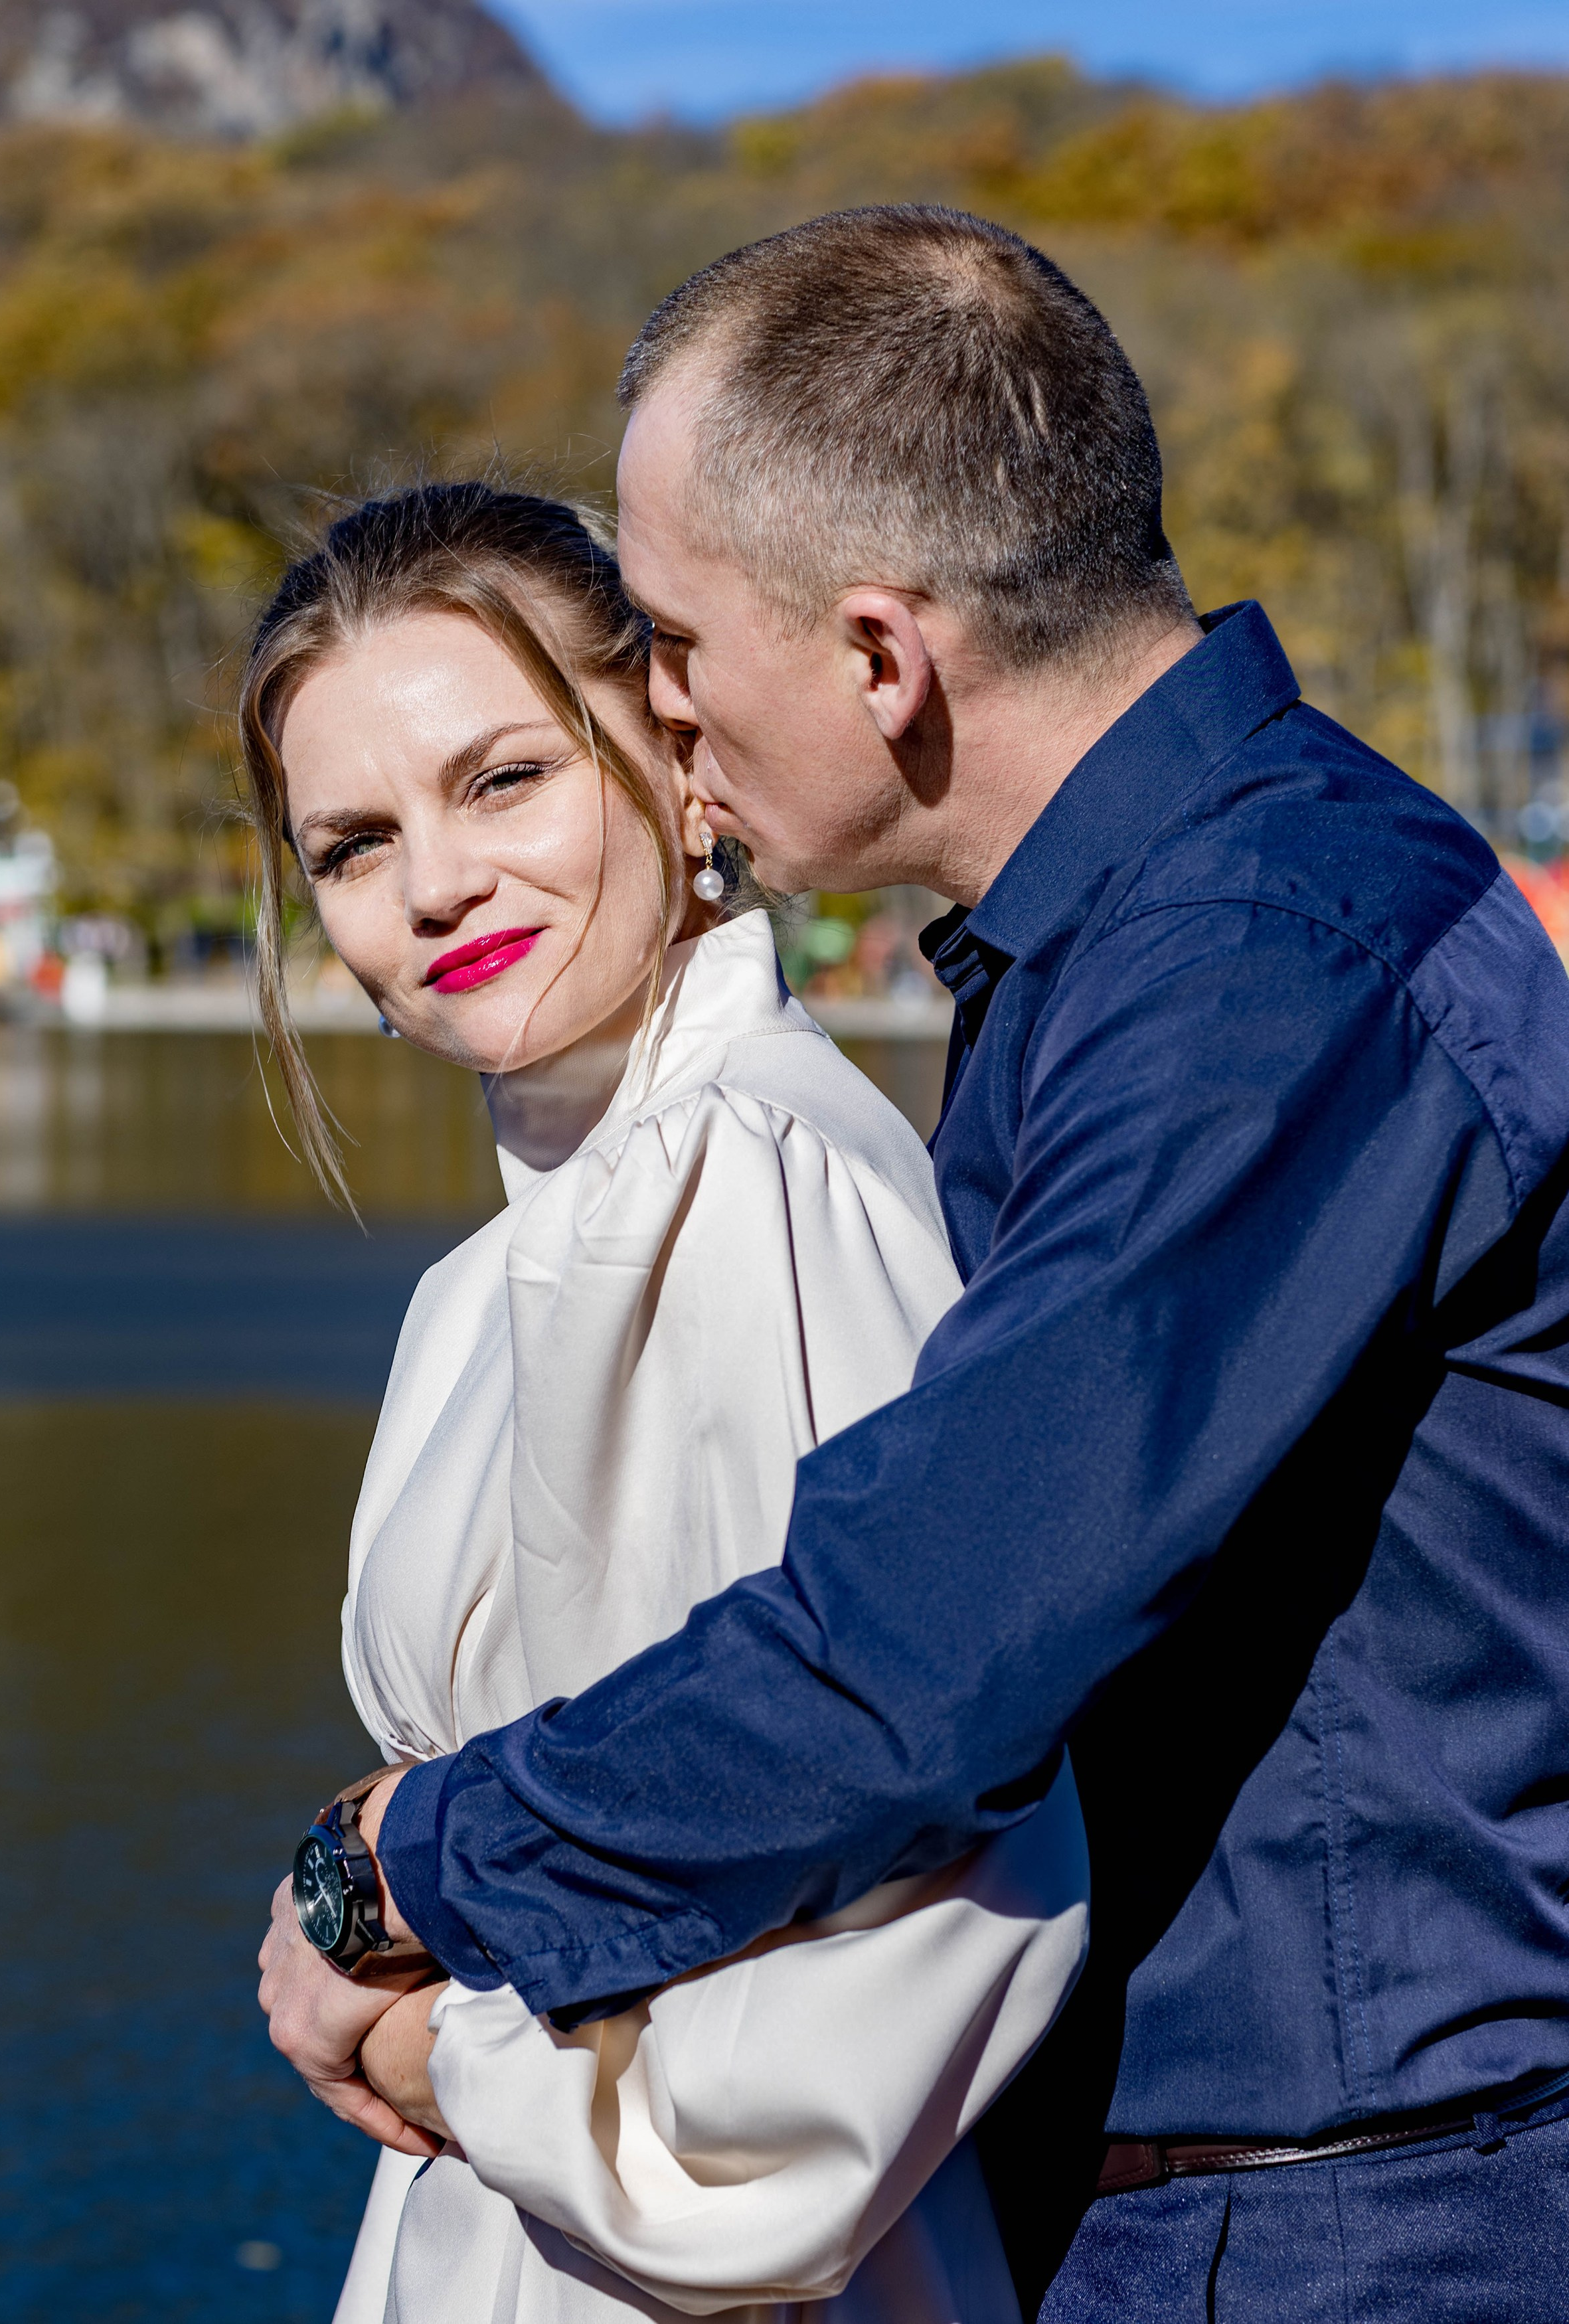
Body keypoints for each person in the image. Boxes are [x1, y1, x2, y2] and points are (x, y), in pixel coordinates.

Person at [263, 206, 1569, 2320]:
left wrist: (402, 1872)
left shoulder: (1265, 965)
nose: (663, 717)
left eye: (672, 643)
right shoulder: (1122, 949)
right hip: (1202, 2206)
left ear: (878, 656)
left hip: (1343, 2224)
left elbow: (916, 1644)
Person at [248, 480, 1090, 2324]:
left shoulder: (741, 1180)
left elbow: (925, 1867)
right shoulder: (488, 1282)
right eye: (352, 843)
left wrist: (441, 2067)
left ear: (677, 753)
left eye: (501, 780)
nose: (433, 886)